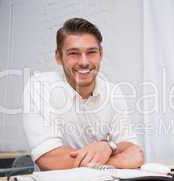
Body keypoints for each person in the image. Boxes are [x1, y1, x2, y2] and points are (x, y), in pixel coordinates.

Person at [23, 18, 144, 170]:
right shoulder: (40, 87)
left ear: (101, 54)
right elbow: (48, 158)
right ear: (59, 57)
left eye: (91, 52)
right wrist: (117, 162)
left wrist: (108, 147)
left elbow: (132, 149)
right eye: (74, 53)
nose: (84, 62)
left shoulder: (113, 92)